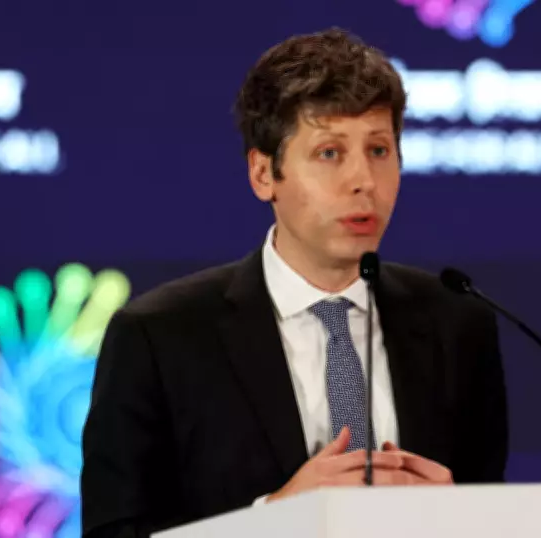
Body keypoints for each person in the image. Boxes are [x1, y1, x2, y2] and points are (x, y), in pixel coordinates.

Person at [80, 27, 508, 538]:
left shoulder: (457, 323)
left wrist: (463, 518)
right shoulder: (158, 337)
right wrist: (273, 519)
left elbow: (491, 511)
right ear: (264, 174)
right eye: (329, 153)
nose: (363, 181)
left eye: (379, 150)